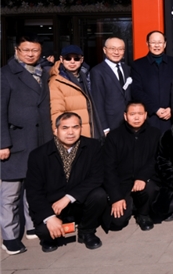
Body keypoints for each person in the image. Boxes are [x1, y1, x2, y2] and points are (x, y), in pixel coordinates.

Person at [1, 35, 53, 255]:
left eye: (35, 50)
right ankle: (10, 237)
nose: (31, 54)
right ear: (17, 50)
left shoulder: (43, 72)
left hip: (39, 139)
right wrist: (2, 143)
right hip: (16, 141)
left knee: (34, 187)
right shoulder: (5, 74)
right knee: (10, 193)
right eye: (26, 50)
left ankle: (32, 226)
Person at [26, 112, 107, 252]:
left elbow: (97, 177)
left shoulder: (93, 146)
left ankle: (86, 231)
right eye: (65, 128)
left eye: (75, 127)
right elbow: (34, 191)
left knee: (99, 195)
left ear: (81, 128)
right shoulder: (38, 155)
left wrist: (68, 197)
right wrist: (49, 217)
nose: (70, 132)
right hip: (52, 206)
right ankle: (51, 235)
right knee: (45, 231)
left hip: (78, 200)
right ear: (55, 130)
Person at [103, 102, 159, 232]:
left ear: (145, 115)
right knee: (117, 223)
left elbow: (156, 159)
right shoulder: (114, 136)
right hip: (122, 183)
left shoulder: (155, 133)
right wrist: (116, 197)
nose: (137, 117)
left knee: (151, 188)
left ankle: (143, 214)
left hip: (144, 181)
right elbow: (108, 168)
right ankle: (131, 205)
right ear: (125, 116)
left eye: (140, 114)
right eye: (132, 114)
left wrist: (142, 177)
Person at [131, 31, 173, 132]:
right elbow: (136, 91)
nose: (157, 45)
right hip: (149, 117)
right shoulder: (138, 65)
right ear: (147, 43)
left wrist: (172, 108)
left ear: (165, 44)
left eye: (160, 42)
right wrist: (155, 109)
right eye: (153, 42)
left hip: (172, 116)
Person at [49, 45, 101, 140]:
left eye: (76, 58)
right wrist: (61, 133)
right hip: (71, 135)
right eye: (68, 58)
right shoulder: (56, 82)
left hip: (90, 132)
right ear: (61, 59)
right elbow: (56, 112)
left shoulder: (87, 77)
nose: (72, 61)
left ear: (81, 60)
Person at [90, 37, 131, 135]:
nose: (116, 52)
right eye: (112, 48)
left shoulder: (127, 69)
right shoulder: (97, 71)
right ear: (105, 50)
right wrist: (104, 127)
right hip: (110, 123)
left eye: (120, 49)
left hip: (128, 122)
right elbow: (98, 101)